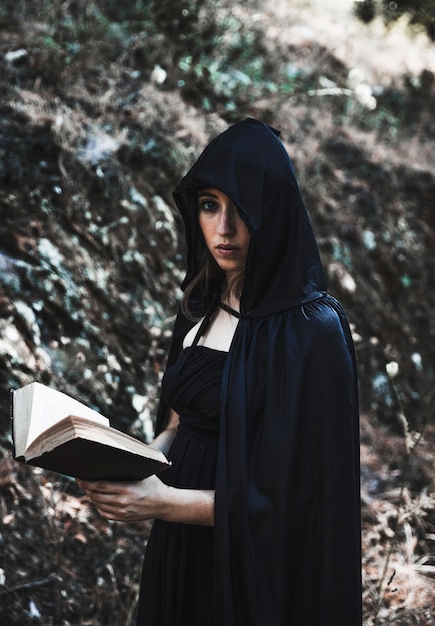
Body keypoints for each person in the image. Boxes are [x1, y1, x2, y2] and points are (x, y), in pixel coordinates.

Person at [78, 118, 362, 625]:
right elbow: (177, 424)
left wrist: (162, 502)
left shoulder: (312, 330)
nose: (223, 228)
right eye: (209, 205)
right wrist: (127, 467)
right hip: (179, 545)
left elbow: (296, 502)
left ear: (271, 211)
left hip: (254, 573)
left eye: (241, 209)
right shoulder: (199, 305)